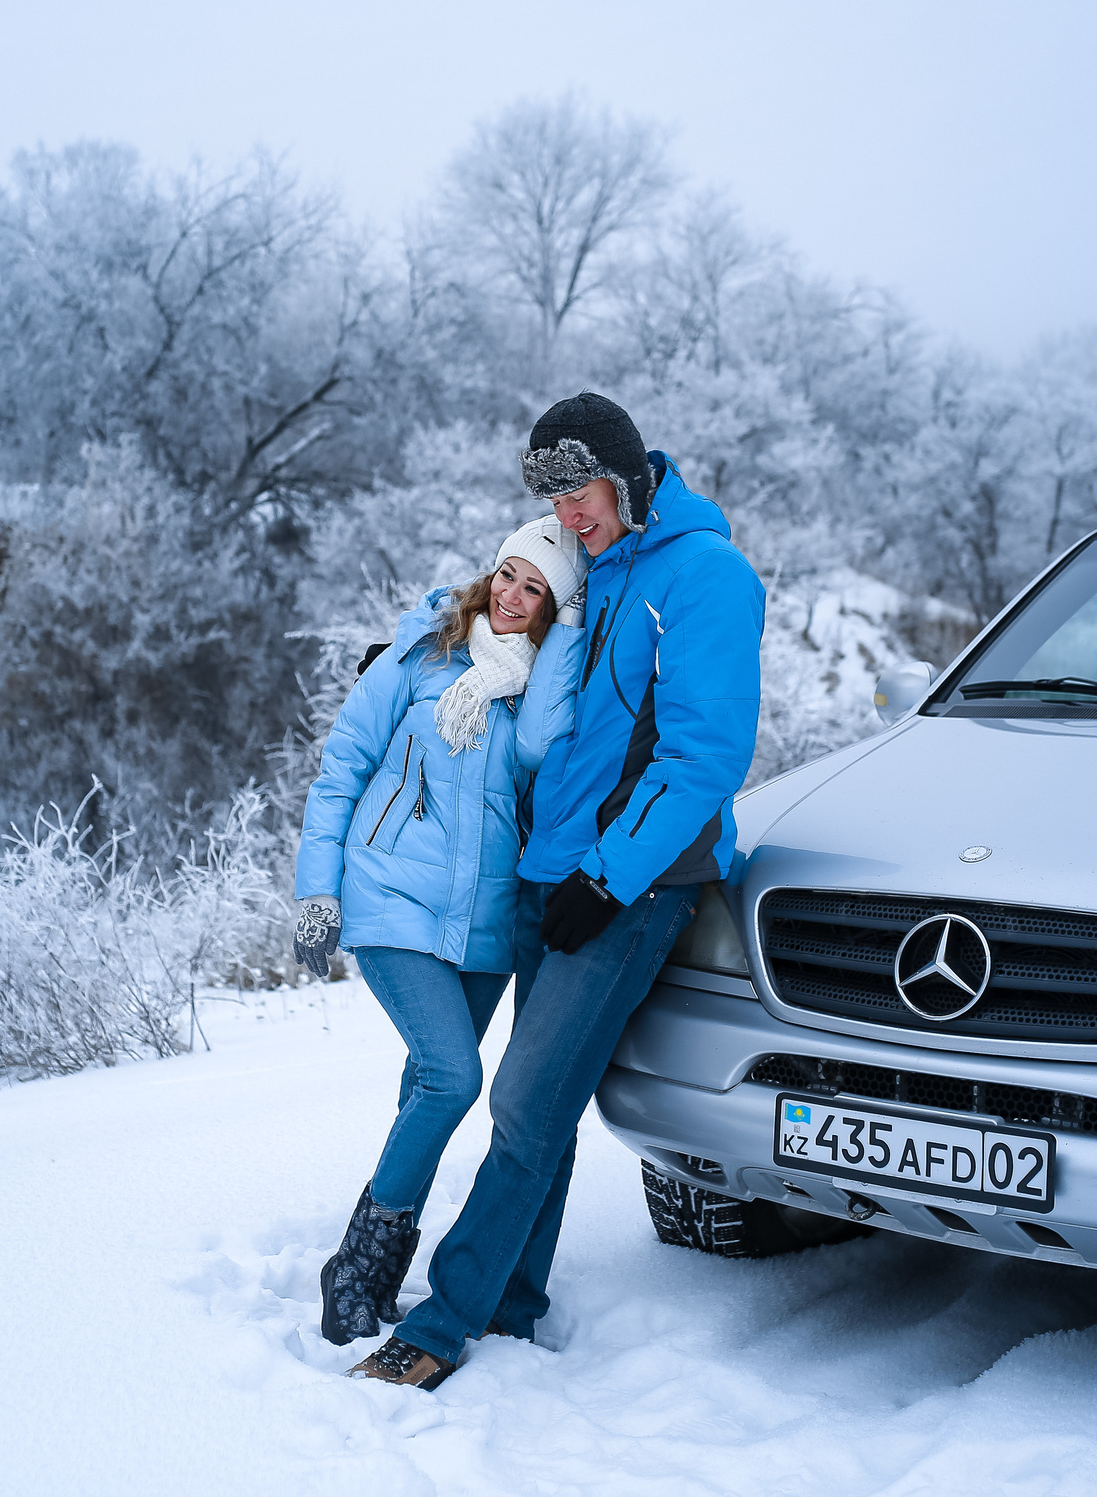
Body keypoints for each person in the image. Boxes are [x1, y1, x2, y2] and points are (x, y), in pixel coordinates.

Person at [349, 392, 766, 1388]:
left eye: (579, 493)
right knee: (548, 1109)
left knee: (525, 1104)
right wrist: (420, 657)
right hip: (549, 872)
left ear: (625, 478)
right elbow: (533, 670)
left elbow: (703, 757)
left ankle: (446, 1321)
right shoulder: (602, 566)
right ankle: (513, 1304)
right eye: (553, 499)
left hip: (631, 884)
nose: (568, 515)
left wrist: (611, 874)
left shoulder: (705, 575)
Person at [296, 516, 588, 1345]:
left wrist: (560, 638)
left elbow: (537, 748)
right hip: (390, 892)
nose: (512, 595)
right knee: (452, 1078)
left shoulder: (539, 687)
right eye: (507, 574)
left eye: (536, 589)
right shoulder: (423, 652)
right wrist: (317, 892)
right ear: (488, 571)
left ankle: (381, 1269)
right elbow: (344, 762)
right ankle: (356, 1264)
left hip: (485, 923)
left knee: (422, 1083)